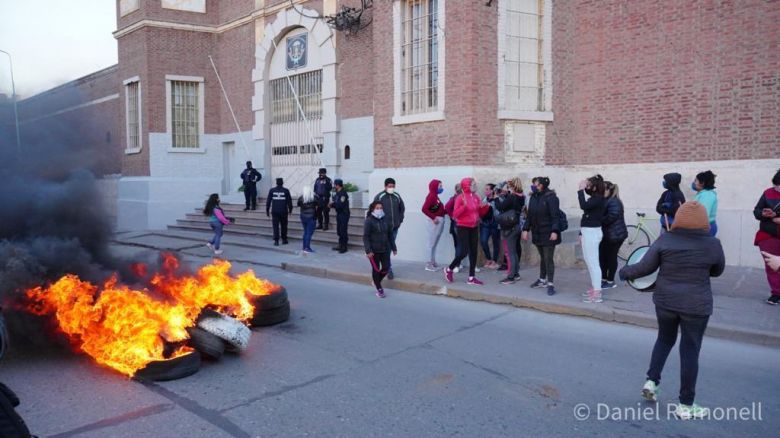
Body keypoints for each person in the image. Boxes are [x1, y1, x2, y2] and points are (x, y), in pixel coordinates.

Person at [619, 201, 725, 420]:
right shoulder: (713, 244)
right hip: (696, 305)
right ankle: (686, 405)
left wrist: (625, 272)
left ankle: (652, 381)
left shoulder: (665, 239)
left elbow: (645, 267)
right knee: (690, 350)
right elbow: (717, 271)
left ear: (679, 219)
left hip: (666, 302)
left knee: (664, 340)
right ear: (703, 221)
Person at [445, 178, 489, 285]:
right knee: (463, 251)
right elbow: (455, 214)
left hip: (474, 226)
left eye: (475, 184)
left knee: (474, 251)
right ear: (466, 186)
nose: (475, 186)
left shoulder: (476, 197)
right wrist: (464, 207)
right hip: (462, 227)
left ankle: (471, 277)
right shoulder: (460, 198)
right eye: (473, 184)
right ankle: (449, 269)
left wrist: (484, 208)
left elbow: (478, 212)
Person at [522, 177, 561, 296]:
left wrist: (554, 231)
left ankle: (550, 284)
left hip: (548, 233)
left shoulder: (551, 197)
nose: (534, 186)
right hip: (537, 232)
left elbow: (555, 216)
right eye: (533, 184)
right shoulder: (534, 197)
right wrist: (525, 229)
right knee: (543, 258)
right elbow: (529, 216)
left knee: (548, 258)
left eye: (536, 184)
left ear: (542, 185)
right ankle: (542, 280)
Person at [578, 175, 607, 303]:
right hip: (587, 232)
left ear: (594, 187)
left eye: (588, 185)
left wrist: (580, 190)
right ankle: (595, 288)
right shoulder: (594, 198)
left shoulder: (599, 199)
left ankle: (597, 293)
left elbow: (583, 206)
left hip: (592, 233)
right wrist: (581, 233)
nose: (586, 187)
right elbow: (586, 216)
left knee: (594, 263)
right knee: (589, 261)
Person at [754, 168, 780, 305]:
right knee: (772, 265)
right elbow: (756, 210)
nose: (777, 188)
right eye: (775, 184)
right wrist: (763, 213)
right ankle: (776, 293)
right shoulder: (768, 193)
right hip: (769, 235)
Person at [363, 201, 397, 298]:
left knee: (386, 268)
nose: (379, 210)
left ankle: (376, 281)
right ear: (373, 209)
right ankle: (379, 289)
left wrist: (394, 248)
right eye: (377, 208)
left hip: (385, 249)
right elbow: (366, 237)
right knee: (376, 270)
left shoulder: (386, 220)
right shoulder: (369, 220)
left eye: (381, 208)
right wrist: (368, 250)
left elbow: (390, 235)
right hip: (374, 251)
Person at [495, 178, 525, 284]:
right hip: (516, 225)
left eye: (508, 186)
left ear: (512, 187)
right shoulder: (521, 196)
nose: (507, 188)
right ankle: (516, 273)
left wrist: (496, 198)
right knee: (514, 252)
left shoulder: (512, 197)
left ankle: (511, 276)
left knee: (511, 252)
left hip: (509, 227)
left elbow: (500, 206)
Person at [374, 178, 405, 279]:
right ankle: (388, 268)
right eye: (389, 186)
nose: (391, 188)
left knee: (389, 248)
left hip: (394, 228)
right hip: (384, 229)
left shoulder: (397, 196)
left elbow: (402, 208)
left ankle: (386, 267)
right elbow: (375, 211)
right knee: (386, 248)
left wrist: (400, 220)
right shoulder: (380, 197)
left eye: (393, 186)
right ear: (385, 186)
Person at [599, 181, 628, 289]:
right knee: (603, 257)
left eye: (603, 189)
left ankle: (610, 281)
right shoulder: (607, 200)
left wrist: (598, 220)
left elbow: (611, 217)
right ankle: (604, 279)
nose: (601, 191)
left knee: (611, 257)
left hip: (615, 235)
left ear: (609, 190)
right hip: (608, 234)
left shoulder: (614, 202)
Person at [421, 179, 446, 271]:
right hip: (434, 222)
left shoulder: (436, 197)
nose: (441, 188)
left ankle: (433, 262)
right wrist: (433, 217)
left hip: (439, 221)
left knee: (434, 243)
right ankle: (428, 264)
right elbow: (424, 209)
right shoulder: (431, 196)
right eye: (440, 186)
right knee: (431, 243)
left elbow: (438, 210)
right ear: (434, 187)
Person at [479, 183, 501, 270]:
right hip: (485, 224)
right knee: (483, 241)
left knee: (496, 242)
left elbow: (500, 211)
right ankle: (488, 259)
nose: (485, 191)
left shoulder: (498, 199)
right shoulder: (484, 199)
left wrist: (492, 204)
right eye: (485, 189)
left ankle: (494, 261)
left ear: (492, 191)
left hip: (495, 223)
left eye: (487, 189)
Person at [266, 178, 293, 246]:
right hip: (283, 211)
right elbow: (289, 201)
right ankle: (284, 240)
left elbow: (268, 201)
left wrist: (267, 210)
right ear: (282, 183)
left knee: (275, 226)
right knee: (284, 225)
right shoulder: (286, 190)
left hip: (274, 211)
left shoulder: (272, 190)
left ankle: (276, 241)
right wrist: (290, 210)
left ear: (276, 183)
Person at [692, 170, 718, 237]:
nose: (694, 183)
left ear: (702, 183)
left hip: (705, 228)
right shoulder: (702, 193)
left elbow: (703, 214)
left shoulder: (707, 195)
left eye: (696, 180)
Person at [445, 183, 463, 271]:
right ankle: (457, 265)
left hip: (456, 225)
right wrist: (453, 216)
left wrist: (452, 216)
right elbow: (447, 207)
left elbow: (447, 207)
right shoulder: (458, 198)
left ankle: (458, 263)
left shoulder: (455, 198)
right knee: (460, 245)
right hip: (459, 225)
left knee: (458, 245)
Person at [330, 179, 350, 253]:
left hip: (344, 214)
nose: (334, 186)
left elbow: (340, 205)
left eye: (335, 185)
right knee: (339, 230)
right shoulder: (337, 193)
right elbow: (335, 201)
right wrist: (331, 204)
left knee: (343, 230)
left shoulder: (343, 194)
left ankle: (344, 247)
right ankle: (340, 244)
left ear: (338, 185)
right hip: (339, 213)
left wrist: (332, 205)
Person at [298, 185, 319, 253]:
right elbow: (319, 204)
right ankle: (307, 248)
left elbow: (298, 204)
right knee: (309, 233)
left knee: (306, 232)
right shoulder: (314, 197)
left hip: (303, 216)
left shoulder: (301, 198)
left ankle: (304, 247)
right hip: (311, 217)